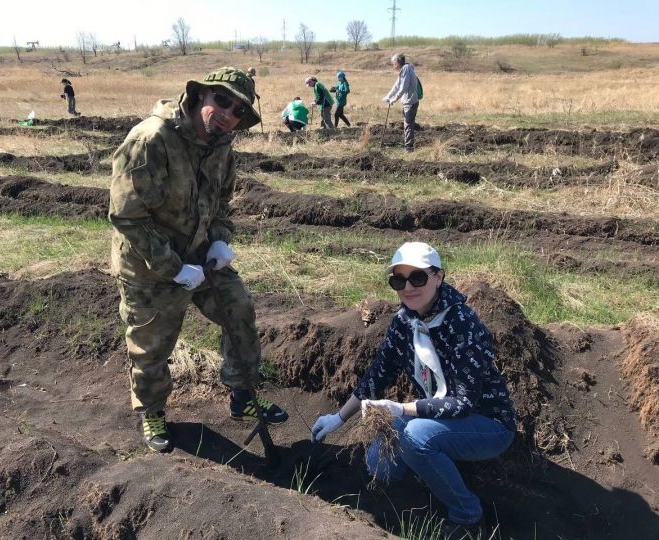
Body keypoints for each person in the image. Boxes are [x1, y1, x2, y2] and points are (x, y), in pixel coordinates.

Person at [109, 66, 289, 453]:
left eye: (239, 111)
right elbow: (127, 217)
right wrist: (174, 269)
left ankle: (243, 395)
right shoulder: (151, 139)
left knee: (238, 307)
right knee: (151, 345)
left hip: (200, 257)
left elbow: (221, 202)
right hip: (148, 265)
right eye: (221, 101)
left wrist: (220, 241)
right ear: (200, 95)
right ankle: (152, 411)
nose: (228, 114)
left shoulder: (222, 145)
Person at [311, 242, 516, 539]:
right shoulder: (404, 322)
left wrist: (401, 409)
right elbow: (378, 373)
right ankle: (434, 464)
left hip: (488, 424)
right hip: (439, 413)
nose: (407, 287)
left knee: (414, 436)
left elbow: (463, 403)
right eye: (398, 280)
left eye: (417, 278)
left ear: (438, 277)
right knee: (380, 465)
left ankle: (468, 517)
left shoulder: (463, 324)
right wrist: (339, 418)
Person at [383, 53, 420, 152]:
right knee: (407, 124)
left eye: (393, 63)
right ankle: (408, 146)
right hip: (408, 101)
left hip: (410, 101)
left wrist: (394, 99)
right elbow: (397, 85)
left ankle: (409, 148)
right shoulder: (404, 70)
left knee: (408, 124)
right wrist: (388, 96)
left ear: (397, 62)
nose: (392, 65)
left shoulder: (406, 69)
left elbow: (403, 87)